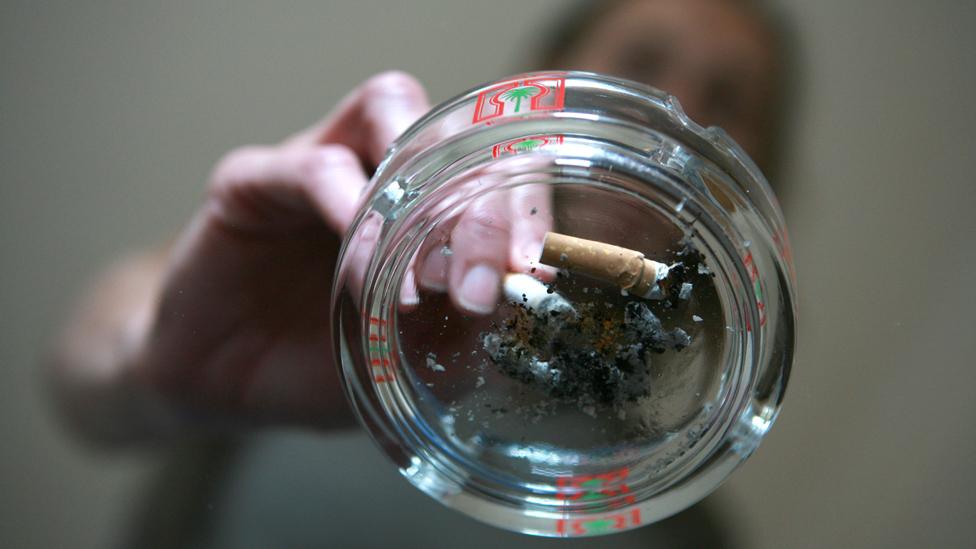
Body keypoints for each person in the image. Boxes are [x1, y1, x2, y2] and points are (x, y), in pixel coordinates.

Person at [50, 0, 791, 544]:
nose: (672, 112)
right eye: (641, 63)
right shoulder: (361, 248)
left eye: (727, 102)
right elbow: (79, 374)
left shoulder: (677, 515)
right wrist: (157, 373)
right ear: (542, 82)